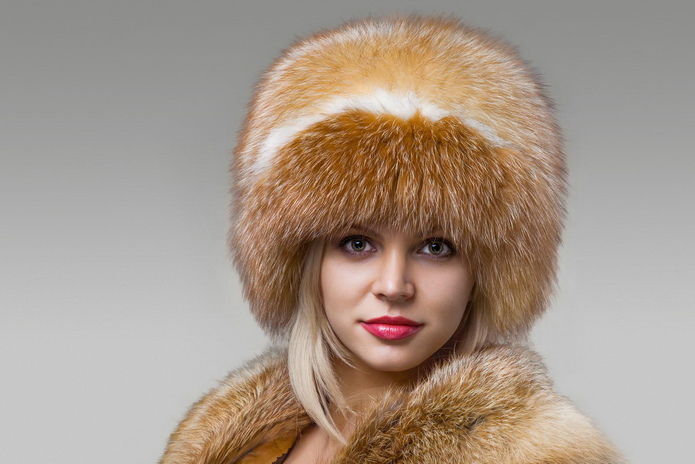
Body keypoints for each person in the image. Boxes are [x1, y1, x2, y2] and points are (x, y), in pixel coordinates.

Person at [159, 15, 624, 464]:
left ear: (482, 274)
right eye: (358, 244)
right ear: (307, 262)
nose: (394, 286)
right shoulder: (224, 444)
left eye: (436, 247)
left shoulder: (536, 455)